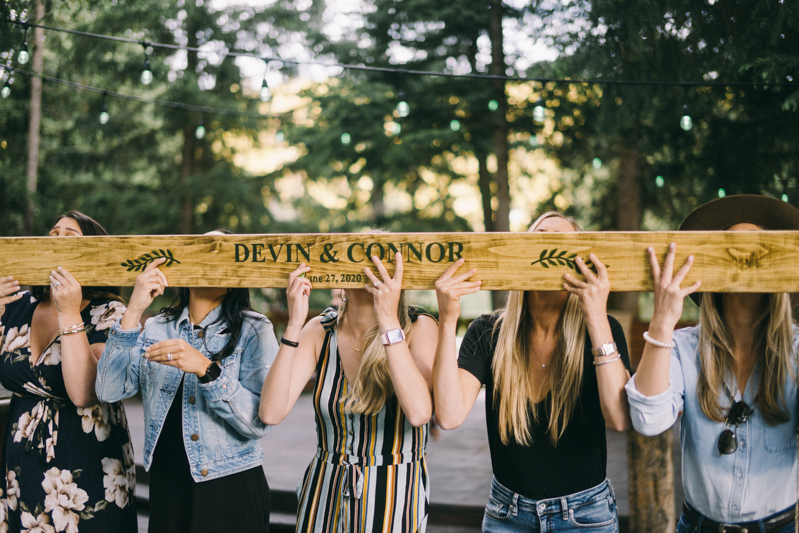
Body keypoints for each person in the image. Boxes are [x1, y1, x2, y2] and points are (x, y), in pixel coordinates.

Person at [433, 211, 631, 533]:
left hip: (585, 516)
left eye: (561, 240)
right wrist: (447, 319)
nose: (548, 245)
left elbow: (620, 418)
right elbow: (449, 414)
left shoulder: (603, 330)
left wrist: (595, 316)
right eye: (540, 235)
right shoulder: (488, 333)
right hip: (506, 515)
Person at [625, 195, 798, 533]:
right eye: (730, 247)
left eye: (759, 249)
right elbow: (648, 419)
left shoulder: (796, 347)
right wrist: (661, 321)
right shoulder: (683, 346)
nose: (744, 258)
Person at [95, 231, 279, 533]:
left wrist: (206, 369)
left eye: (216, 253)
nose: (205, 259)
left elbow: (258, 424)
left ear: (234, 274)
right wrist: (134, 310)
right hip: (168, 485)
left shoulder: (253, 329)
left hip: (229, 485)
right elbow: (108, 389)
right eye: (198, 251)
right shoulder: (156, 327)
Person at [259, 253, 439, 533]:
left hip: (394, 496)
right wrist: (295, 323)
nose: (366, 269)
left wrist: (388, 321)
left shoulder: (418, 326)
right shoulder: (320, 329)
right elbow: (270, 412)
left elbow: (419, 413)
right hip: (324, 493)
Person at [0, 211, 136, 533]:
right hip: (20, 463)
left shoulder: (111, 313)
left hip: (86, 460)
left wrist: (69, 312)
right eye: (53, 233)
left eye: (70, 236)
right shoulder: (18, 304)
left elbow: (84, 392)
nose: (58, 240)